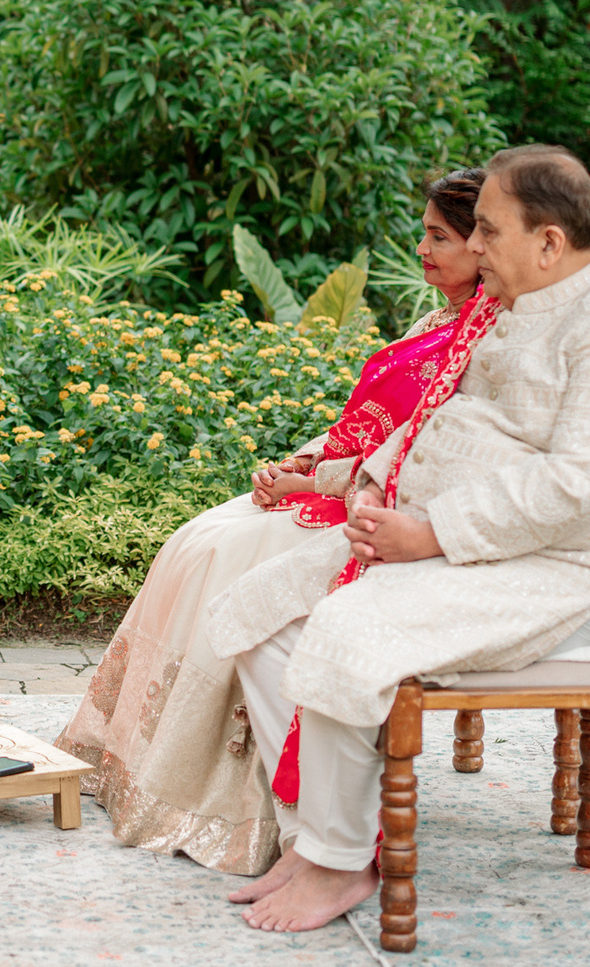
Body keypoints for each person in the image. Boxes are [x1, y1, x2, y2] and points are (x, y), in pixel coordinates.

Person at [204, 145, 590, 933]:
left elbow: (572, 485)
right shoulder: (519, 304)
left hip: (567, 574)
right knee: (260, 610)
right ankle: (321, 842)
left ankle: (336, 862)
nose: (477, 246)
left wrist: (429, 533)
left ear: (550, 242)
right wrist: (361, 483)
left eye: (489, 231)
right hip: (466, 547)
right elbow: (436, 417)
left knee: (350, 626)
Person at [54, 169, 498, 874]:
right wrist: (296, 459)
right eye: (423, 231)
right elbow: (361, 424)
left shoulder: (488, 340)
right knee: (193, 541)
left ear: (485, 245)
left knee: (227, 558)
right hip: (339, 484)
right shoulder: (438, 320)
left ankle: (231, 805)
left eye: (438, 236)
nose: (422, 247)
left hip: (383, 510)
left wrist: (309, 480)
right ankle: (134, 763)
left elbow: (414, 455)